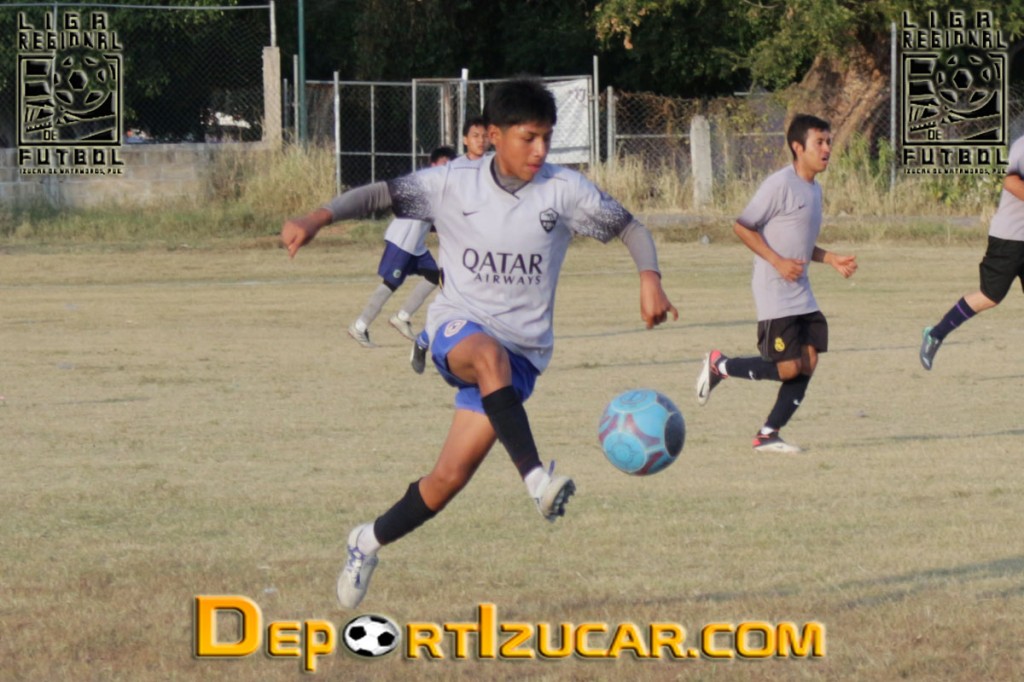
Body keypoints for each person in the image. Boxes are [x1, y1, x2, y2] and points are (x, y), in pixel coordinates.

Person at [281, 78, 677, 608]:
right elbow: (379, 194)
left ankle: (365, 541)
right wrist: (317, 217)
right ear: (494, 135)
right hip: (459, 327)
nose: (540, 150)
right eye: (528, 137)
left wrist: (649, 278)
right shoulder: (453, 183)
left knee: (446, 480)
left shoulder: (564, 190)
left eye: (547, 138)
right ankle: (536, 480)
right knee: (487, 356)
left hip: (523, 356)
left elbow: (630, 228)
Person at [695, 114, 857, 453]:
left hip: (801, 291)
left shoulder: (814, 189)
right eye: (819, 142)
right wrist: (777, 261)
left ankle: (768, 434)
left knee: (808, 361)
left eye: (829, 141)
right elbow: (742, 226)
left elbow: (798, 243)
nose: (827, 148)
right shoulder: (779, 184)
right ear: (798, 147)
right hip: (774, 290)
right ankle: (720, 365)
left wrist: (830, 258)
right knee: (787, 368)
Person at [920, 135, 1024, 370]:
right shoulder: (1022, 146)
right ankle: (936, 334)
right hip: (1010, 238)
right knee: (990, 296)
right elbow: (1010, 182)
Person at [347, 146, 457, 347]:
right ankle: (359, 326)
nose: (446, 169)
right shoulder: (425, 183)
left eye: (450, 166)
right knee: (390, 283)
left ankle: (402, 317)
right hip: (402, 240)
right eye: (443, 164)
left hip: (416, 244)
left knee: (434, 276)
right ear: (433, 165)